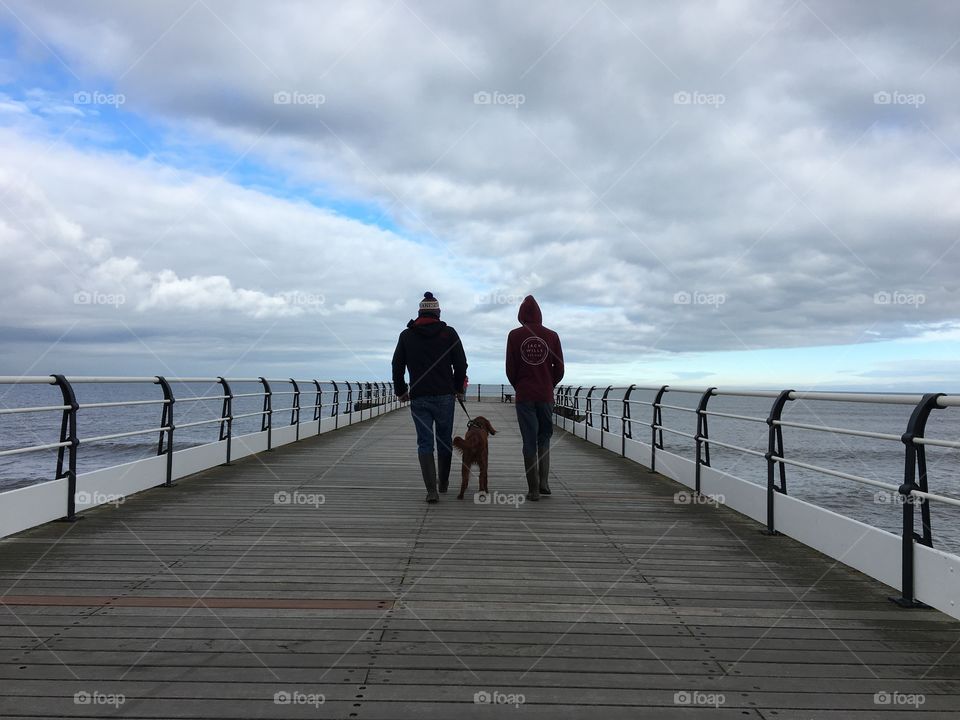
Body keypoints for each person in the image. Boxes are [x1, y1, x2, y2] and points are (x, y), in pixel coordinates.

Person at [392, 292, 468, 503]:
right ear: (438, 312)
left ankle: (431, 490)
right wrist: (458, 387)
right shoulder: (449, 333)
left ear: (419, 313)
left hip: (419, 397)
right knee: (444, 441)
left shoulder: (407, 336)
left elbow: (397, 366)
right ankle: (443, 483)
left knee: (424, 443)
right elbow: (461, 363)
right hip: (445, 396)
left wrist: (401, 391)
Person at [505, 295, 564, 501]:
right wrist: (549, 384)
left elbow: (510, 369)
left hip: (525, 396)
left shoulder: (514, 335)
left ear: (521, 314)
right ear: (539, 314)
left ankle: (533, 490)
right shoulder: (552, 336)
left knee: (528, 440)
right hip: (545, 395)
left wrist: (519, 386)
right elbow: (560, 369)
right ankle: (544, 483)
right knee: (544, 437)